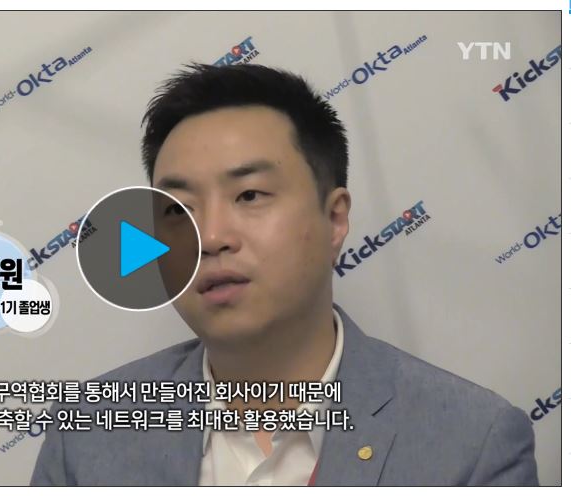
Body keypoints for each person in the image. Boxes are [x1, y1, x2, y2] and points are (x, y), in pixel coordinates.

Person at [30, 63, 539, 486]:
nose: (210, 236)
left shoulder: (472, 444)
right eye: (177, 209)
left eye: (249, 195)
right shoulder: (88, 432)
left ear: (334, 219)